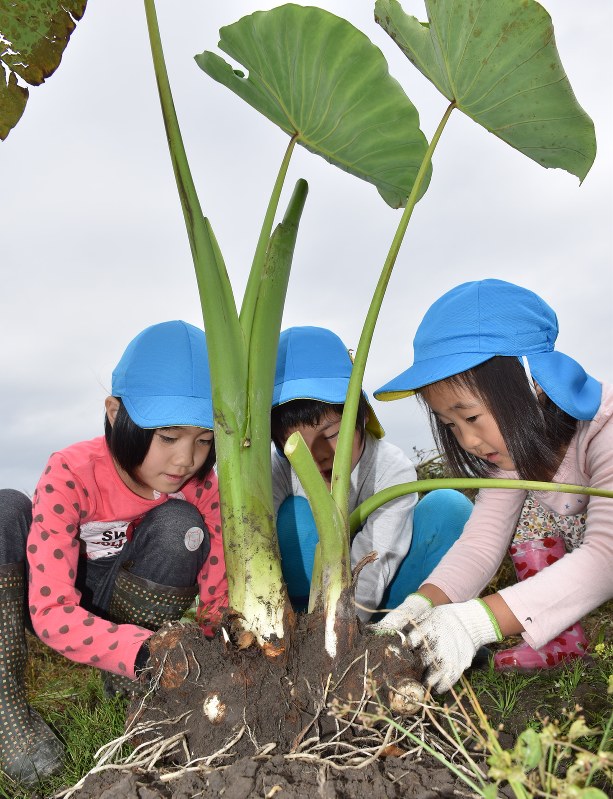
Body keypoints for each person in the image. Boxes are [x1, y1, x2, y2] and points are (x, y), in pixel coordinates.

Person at [0, 320, 227, 786]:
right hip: (51, 599)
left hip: (128, 599)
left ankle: (124, 678)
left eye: (203, 440)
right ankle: (7, 707)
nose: (186, 459)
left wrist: (220, 648)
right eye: (168, 437)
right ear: (114, 412)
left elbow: (219, 590)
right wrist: (147, 654)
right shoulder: (71, 471)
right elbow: (49, 609)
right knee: (4, 509)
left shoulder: (200, 486)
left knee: (181, 527)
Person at [374, 279, 613, 692]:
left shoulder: (604, 430)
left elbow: (606, 557)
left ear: (534, 386)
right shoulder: (511, 458)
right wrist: (419, 606)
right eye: (450, 424)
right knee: (526, 516)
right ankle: (558, 636)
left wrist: (474, 623)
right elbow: (481, 543)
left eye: (471, 417)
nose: (466, 441)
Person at [270, 326, 473, 620]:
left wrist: (341, 632)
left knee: (449, 508)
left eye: (333, 434)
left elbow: (378, 554)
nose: (319, 455)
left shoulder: (390, 467)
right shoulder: (279, 472)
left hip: (380, 603)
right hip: (302, 614)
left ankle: (437, 625)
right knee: (296, 515)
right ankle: (302, 631)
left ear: (362, 417)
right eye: (297, 445)